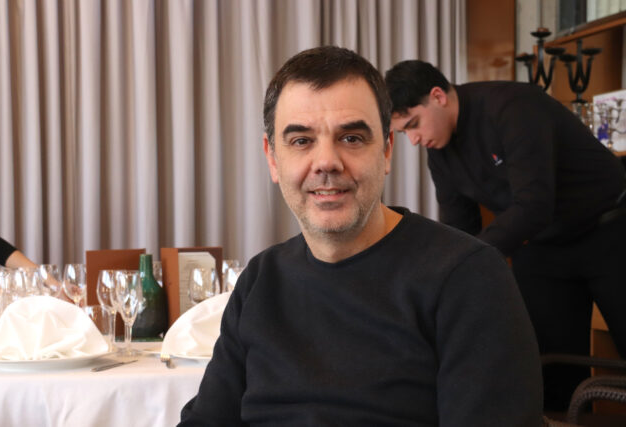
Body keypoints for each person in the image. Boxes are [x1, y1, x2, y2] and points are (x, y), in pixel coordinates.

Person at [179, 46, 542, 426]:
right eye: (301, 141)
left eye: (351, 138)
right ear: (272, 158)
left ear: (386, 151)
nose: (327, 162)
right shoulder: (260, 279)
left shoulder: (467, 278)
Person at [385, 59, 626, 410]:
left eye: (413, 125)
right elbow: (459, 227)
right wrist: (443, 273)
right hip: (542, 246)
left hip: (608, 230)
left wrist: (468, 258)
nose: (414, 139)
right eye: (404, 133)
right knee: (550, 368)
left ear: (438, 96)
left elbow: (534, 204)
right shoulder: (439, 152)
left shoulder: (512, 107)